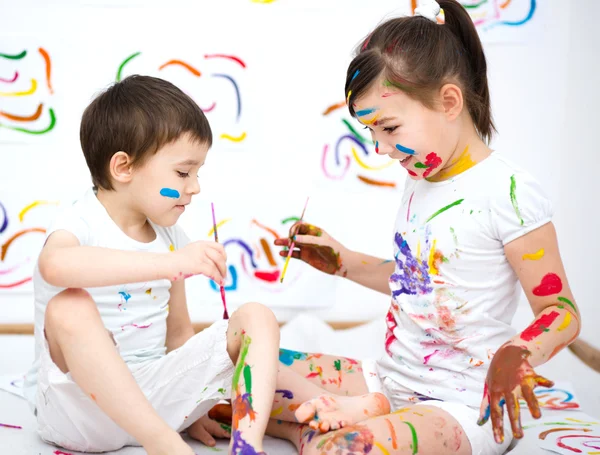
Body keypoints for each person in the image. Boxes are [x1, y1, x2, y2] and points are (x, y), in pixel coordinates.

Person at [271, 1, 581, 453]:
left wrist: (519, 353)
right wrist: (343, 263)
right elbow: (419, 285)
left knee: (339, 448)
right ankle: (355, 413)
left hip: (463, 402)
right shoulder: (423, 178)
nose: (380, 148)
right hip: (390, 380)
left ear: (449, 101)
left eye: (389, 127)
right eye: (372, 132)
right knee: (245, 368)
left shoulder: (510, 192)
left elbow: (562, 312)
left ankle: (323, 431)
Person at [23, 75, 389, 455]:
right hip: (78, 414)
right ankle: (163, 444)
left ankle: (253, 442)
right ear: (123, 167)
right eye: (183, 173)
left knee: (255, 316)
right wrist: (170, 265)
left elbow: (179, 336)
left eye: (197, 173)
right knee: (68, 308)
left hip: (152, 400)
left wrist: (190, 402)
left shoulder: (170, 238)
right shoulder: (81, 222)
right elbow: (55, 265)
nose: (194, 187)